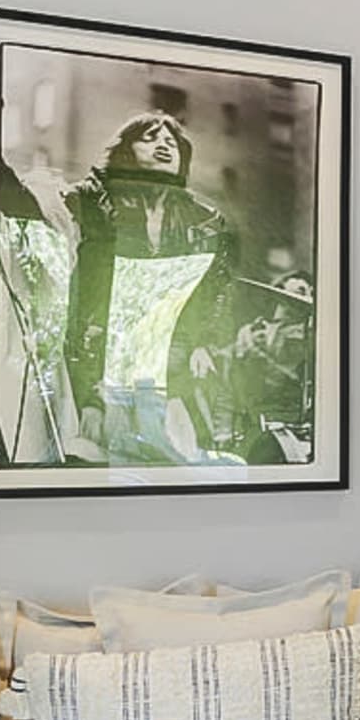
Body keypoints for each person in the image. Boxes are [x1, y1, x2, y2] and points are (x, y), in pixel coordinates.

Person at [58, 112, 246, 466]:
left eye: (171, 142)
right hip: (100, 361)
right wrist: (90, 394)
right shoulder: (88, 201)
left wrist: (204, 341)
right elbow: (78, 301)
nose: (163, 144)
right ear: (125, 150)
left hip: (173, 368)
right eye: (149, 137)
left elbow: (217, 289)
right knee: (94, 459)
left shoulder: (203, 219)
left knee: (180, 464)